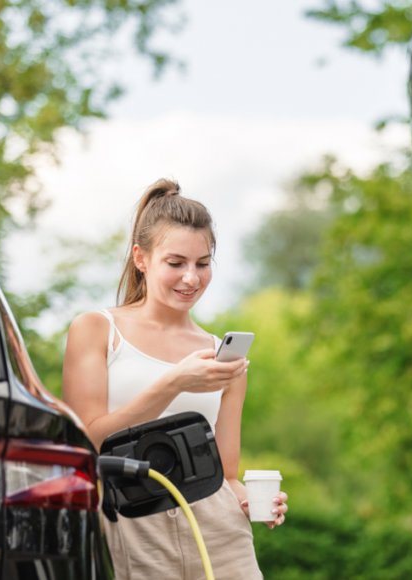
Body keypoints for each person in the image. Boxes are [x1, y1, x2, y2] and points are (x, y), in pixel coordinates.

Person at [63, 178, 287, 580]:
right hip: (134, 524)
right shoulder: (97, 330)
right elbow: (86, 444)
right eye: (176, 263)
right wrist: (174, 382)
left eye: (203, 264)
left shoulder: (222, 356)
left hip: (220, 534)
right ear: (141, 258)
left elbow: (227, 474)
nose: (191, 278)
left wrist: (249, 502)